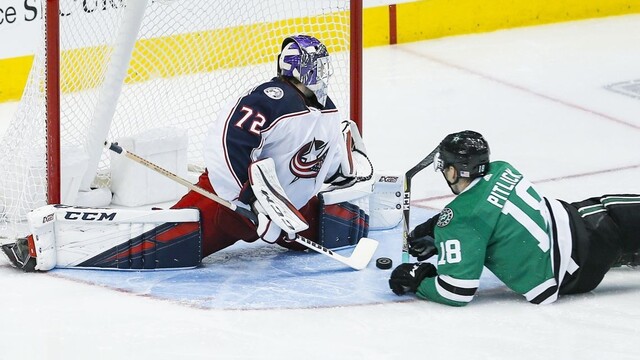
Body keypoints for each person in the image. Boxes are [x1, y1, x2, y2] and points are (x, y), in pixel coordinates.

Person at [2, 34, 372, 271]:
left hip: (286, 210)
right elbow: (230, 141)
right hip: (234, 205)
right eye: (317, 65)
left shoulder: (326, 109)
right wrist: (247, 199)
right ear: (301, 69)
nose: (324, 72)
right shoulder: (273, 99)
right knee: (167, 236)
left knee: (334, 228)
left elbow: (320, 158)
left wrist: (342, 170)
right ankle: (41, 245)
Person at [388, 130, 640, 306]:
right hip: (586, 232)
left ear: (453, 171)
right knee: (616, 212)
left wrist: (418, 279)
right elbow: (485, 212)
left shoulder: (461, 221)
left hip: (574, 267)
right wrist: (441, 230)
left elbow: (455, 291)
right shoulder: (503, 169)